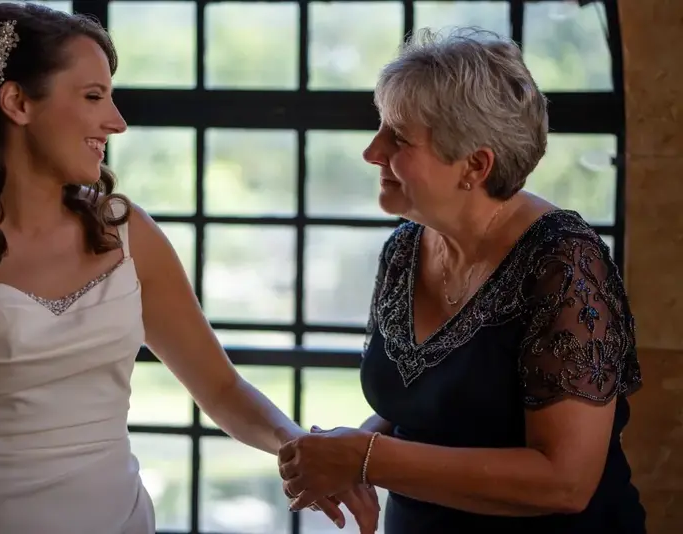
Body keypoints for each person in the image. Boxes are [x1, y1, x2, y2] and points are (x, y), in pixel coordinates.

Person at [0, 3, 378, 534]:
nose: (116, 121)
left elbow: (222, 389)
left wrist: (298, 445)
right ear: (18, 102)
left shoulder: (127, 233)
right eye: (94, 96)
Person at [276, 27, 646, 534]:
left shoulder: (564, 264)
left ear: (475, 165)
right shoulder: (404, 249)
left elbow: (565, 482)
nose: (371, 151)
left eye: (398, 137)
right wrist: (343, 454)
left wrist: (366, 457)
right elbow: (426, 406)